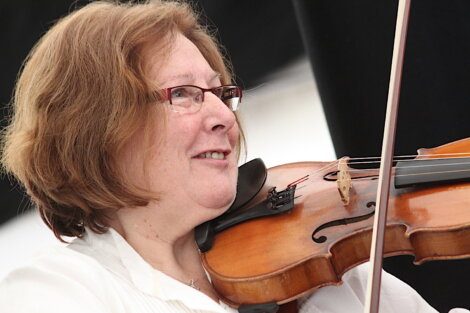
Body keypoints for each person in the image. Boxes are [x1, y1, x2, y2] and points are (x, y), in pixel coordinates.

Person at [0, 1, 466, 313]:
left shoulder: (327, 265)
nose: (223, 114)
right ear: (98, 127)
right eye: (183, 94)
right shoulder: (55, 293)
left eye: (220, 92)